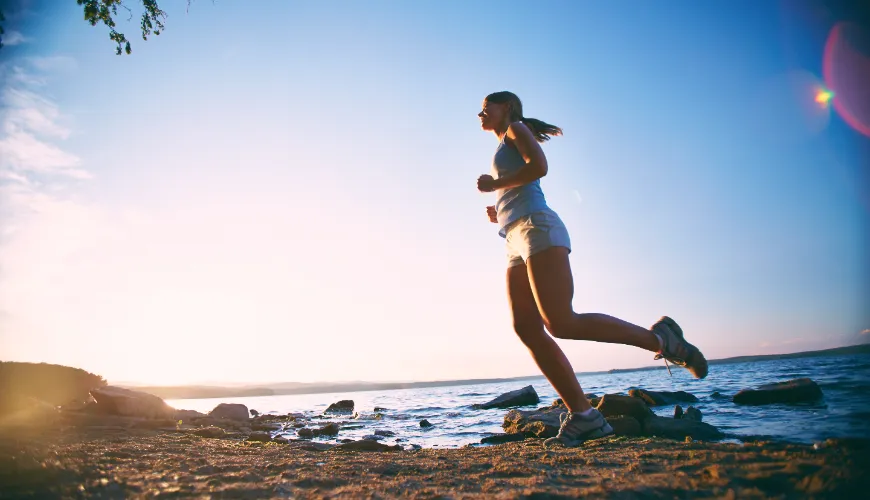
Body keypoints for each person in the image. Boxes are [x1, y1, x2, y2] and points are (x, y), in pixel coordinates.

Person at [476, 91, 708, 448]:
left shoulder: (516, 128)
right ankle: (584, 416)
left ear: (506, 107)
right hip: (515, 237)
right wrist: (500, 207)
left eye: (487, 105)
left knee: (561, 322)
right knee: (526, 327)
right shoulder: (503, 145)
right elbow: (523, 181)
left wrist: (495, 185)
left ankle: (663, 340)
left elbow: (539, 167)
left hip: (537, 228)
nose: (480, 112)